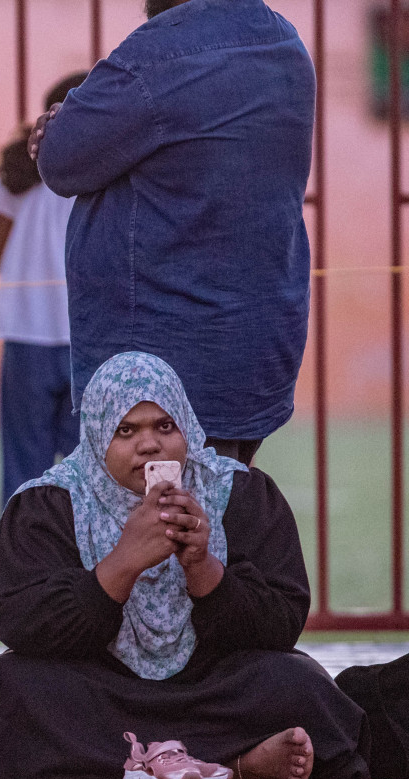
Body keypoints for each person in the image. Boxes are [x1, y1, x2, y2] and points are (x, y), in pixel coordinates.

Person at [0, 353, 369, 779]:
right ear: (98, 435)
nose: (149, 445)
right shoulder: (52, 501)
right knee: (17, 690)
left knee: (299, 683)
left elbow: (282, 621)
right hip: (102, 692)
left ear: (188, 427)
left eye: (165, 426)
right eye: (126, 430)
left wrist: (202, 566)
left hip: (211, 688)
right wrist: (122, 564)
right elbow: (20, 620)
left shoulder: (236, 490)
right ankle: (235, 766)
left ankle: (138, 764)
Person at [30, 0, 314, 464]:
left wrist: (60, 126)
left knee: (160, 526)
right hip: (256, 342)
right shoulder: (283, 43)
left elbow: (62, 159)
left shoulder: (159, 55)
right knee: (221, 514)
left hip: (161, 363)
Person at [0, 72, 88, 502]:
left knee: (25, 468)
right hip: (85, 339)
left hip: (25, 334)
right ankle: (91, 557)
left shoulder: (21, 179)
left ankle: (22, 560)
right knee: (94, 465)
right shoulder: (101, 176)